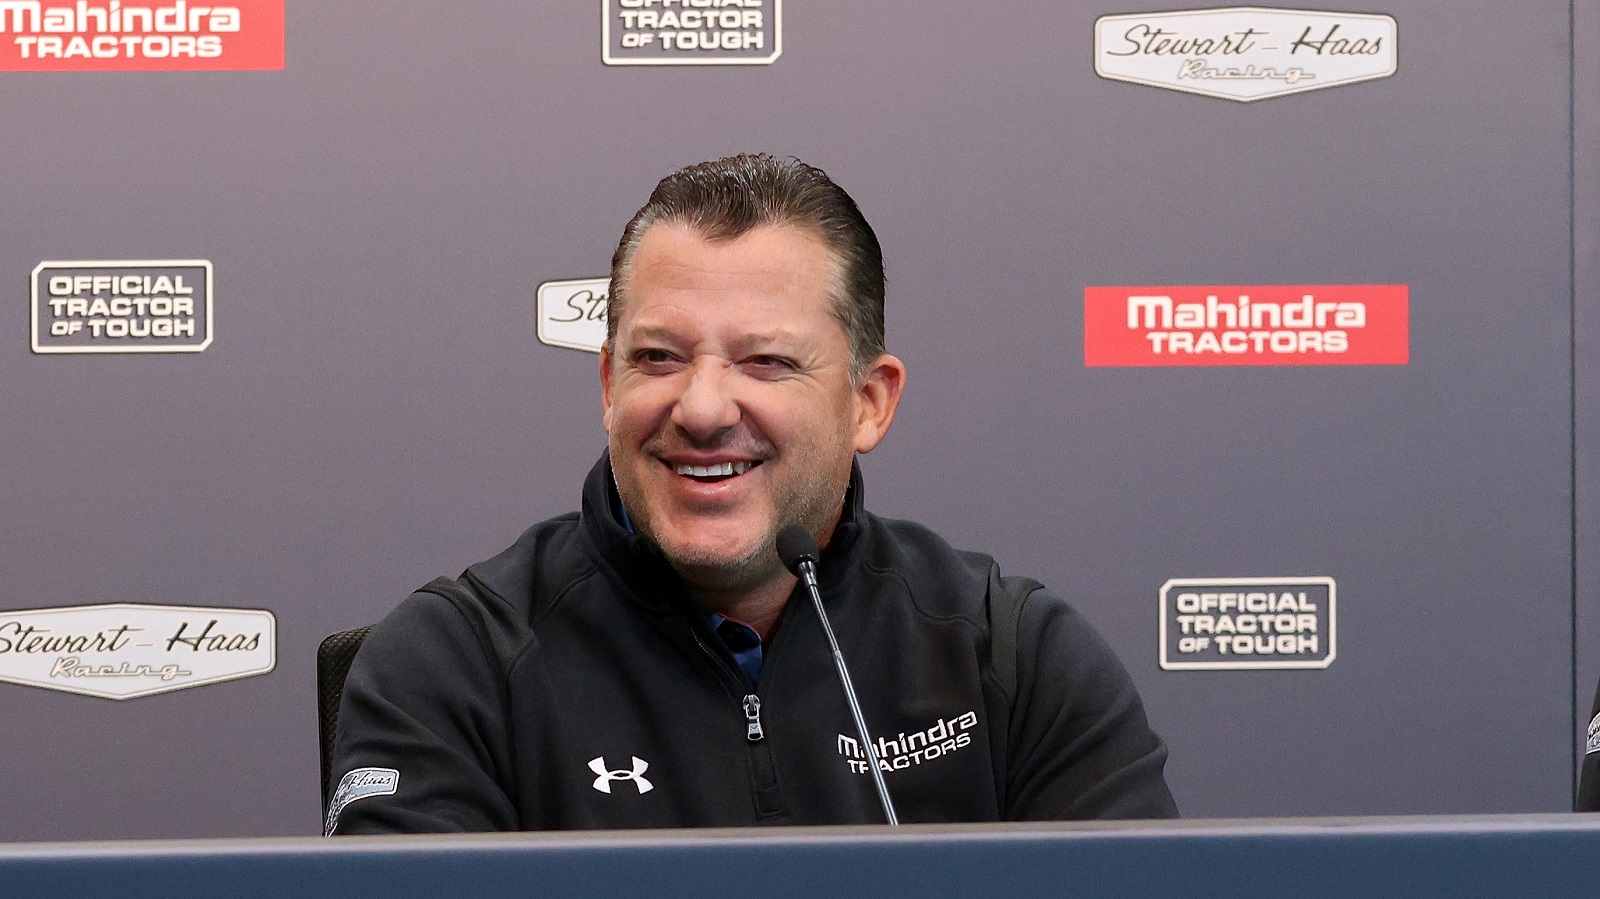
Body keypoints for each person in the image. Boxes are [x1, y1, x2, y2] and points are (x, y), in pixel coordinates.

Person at [325, 154, 1177, 834]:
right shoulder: (451, 663)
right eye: (658, 357)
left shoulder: (1010, 655)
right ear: (607, 384)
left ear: (869, 402)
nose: (700, 408)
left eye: (765, 362)